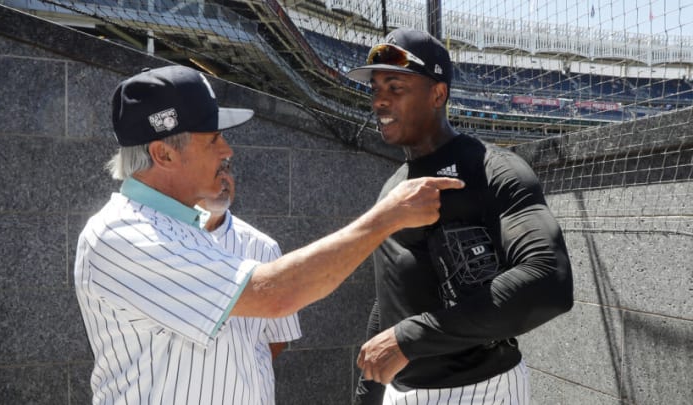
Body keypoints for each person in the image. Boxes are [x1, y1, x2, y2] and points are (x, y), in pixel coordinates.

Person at [74, 64, 464, 405]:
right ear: (164, 154)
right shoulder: (123, 232)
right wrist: (387, 217)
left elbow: (262, 340)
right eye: (212, 138)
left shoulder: (179, 223)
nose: (227, 150)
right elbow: (274, 294)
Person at [345, 28, 574, 405]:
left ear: (438, 94)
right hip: (401, 392)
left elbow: (549, 278)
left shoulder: (493, 169)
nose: (379, 101)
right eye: (375, 89)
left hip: (481, 389)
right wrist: (367, 393)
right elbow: (392, 292)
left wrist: (409, 337)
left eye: (395, 87)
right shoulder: (392, 188)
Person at [197, 163, 301, 405]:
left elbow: (278, 337)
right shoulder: (165, 242)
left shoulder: (262, 247)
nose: (223, 178)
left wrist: (238, 370)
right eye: (213, 169)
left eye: (227, 169)